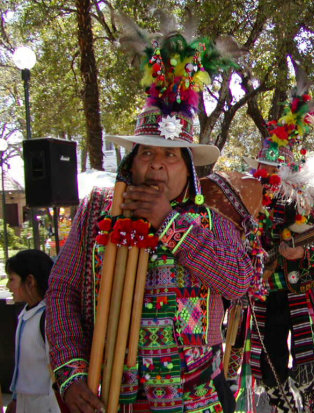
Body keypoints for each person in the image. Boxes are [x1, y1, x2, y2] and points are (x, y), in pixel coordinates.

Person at [46, 14, 253, 413]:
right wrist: (70, 371)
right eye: (146, 152)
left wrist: (170, 225)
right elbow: (62, 291)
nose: (156, 165)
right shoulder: (98, 211)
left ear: (188, 168)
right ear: (131, 163)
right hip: (110, 399)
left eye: (170, 155)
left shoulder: (210, 220)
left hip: (195, 401)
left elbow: (240, 283)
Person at [245, 90, 314, 413]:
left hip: (299, 291)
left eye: (273, 169)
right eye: (264, 168)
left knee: (306, 364)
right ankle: (283, 406)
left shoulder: (306, 200)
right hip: (262, 296)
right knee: (269, 364)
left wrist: (302, 255)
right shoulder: (247, 202)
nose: (268, 176)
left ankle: (310, 401)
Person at [6, 249, 60, 413]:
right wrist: (16, 399)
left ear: (30, 281)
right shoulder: (26, 314)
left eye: (12, 279)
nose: (9, 286)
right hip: (26, 402)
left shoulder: (47, 318)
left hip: (44, 405)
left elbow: (55, 373)